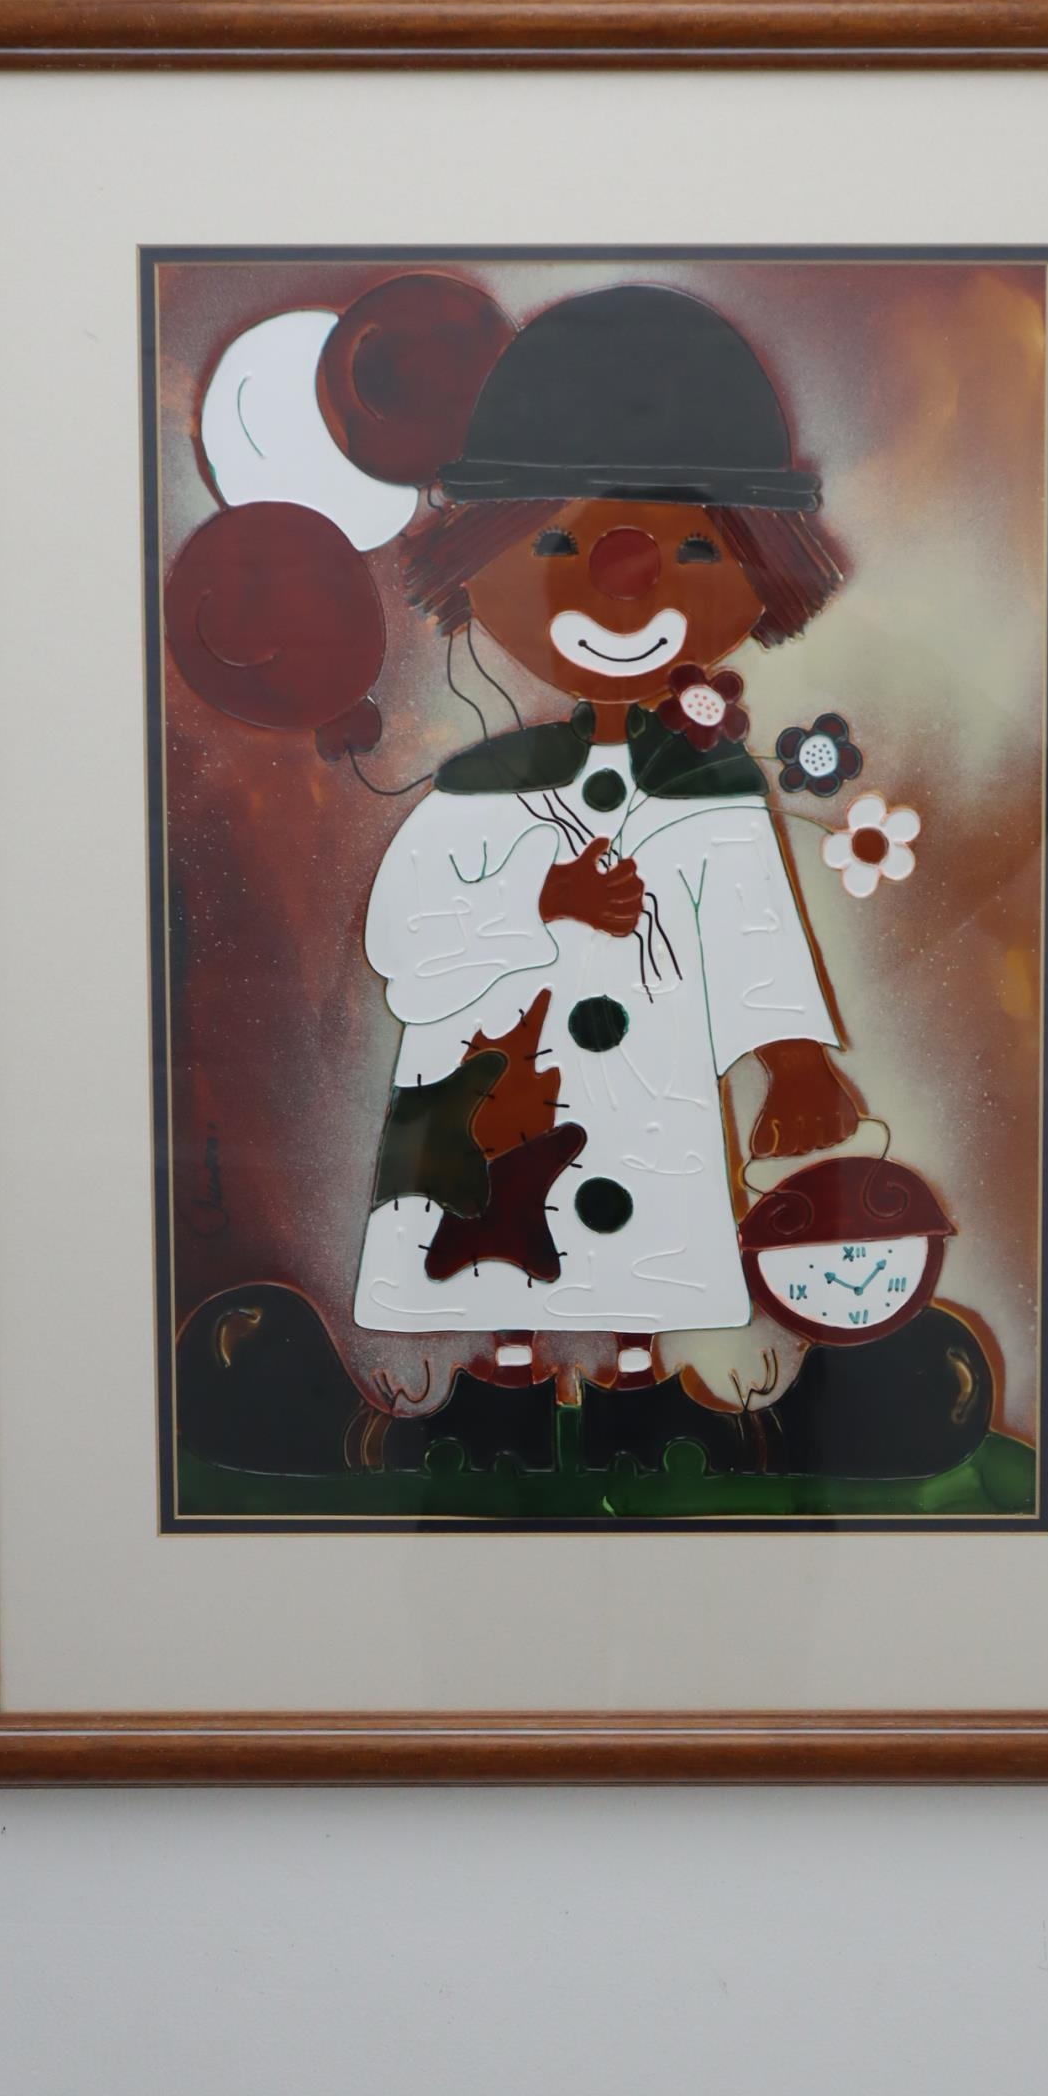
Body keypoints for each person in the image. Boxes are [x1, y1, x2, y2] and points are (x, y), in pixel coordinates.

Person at [349, 285, 863, 1417]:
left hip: (651, 1093)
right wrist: (539, 904)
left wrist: (792, 1062)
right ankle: (507, 1370)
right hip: (495, 1085)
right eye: (553, 543)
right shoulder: (479, 786)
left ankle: (638, 1376)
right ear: (479, 558)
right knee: (490, 1223)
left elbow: (749, 933)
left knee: (646, 1217)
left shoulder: (713, 790)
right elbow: (403, 933)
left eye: (695, 548)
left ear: (759, 567)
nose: (626, 586)